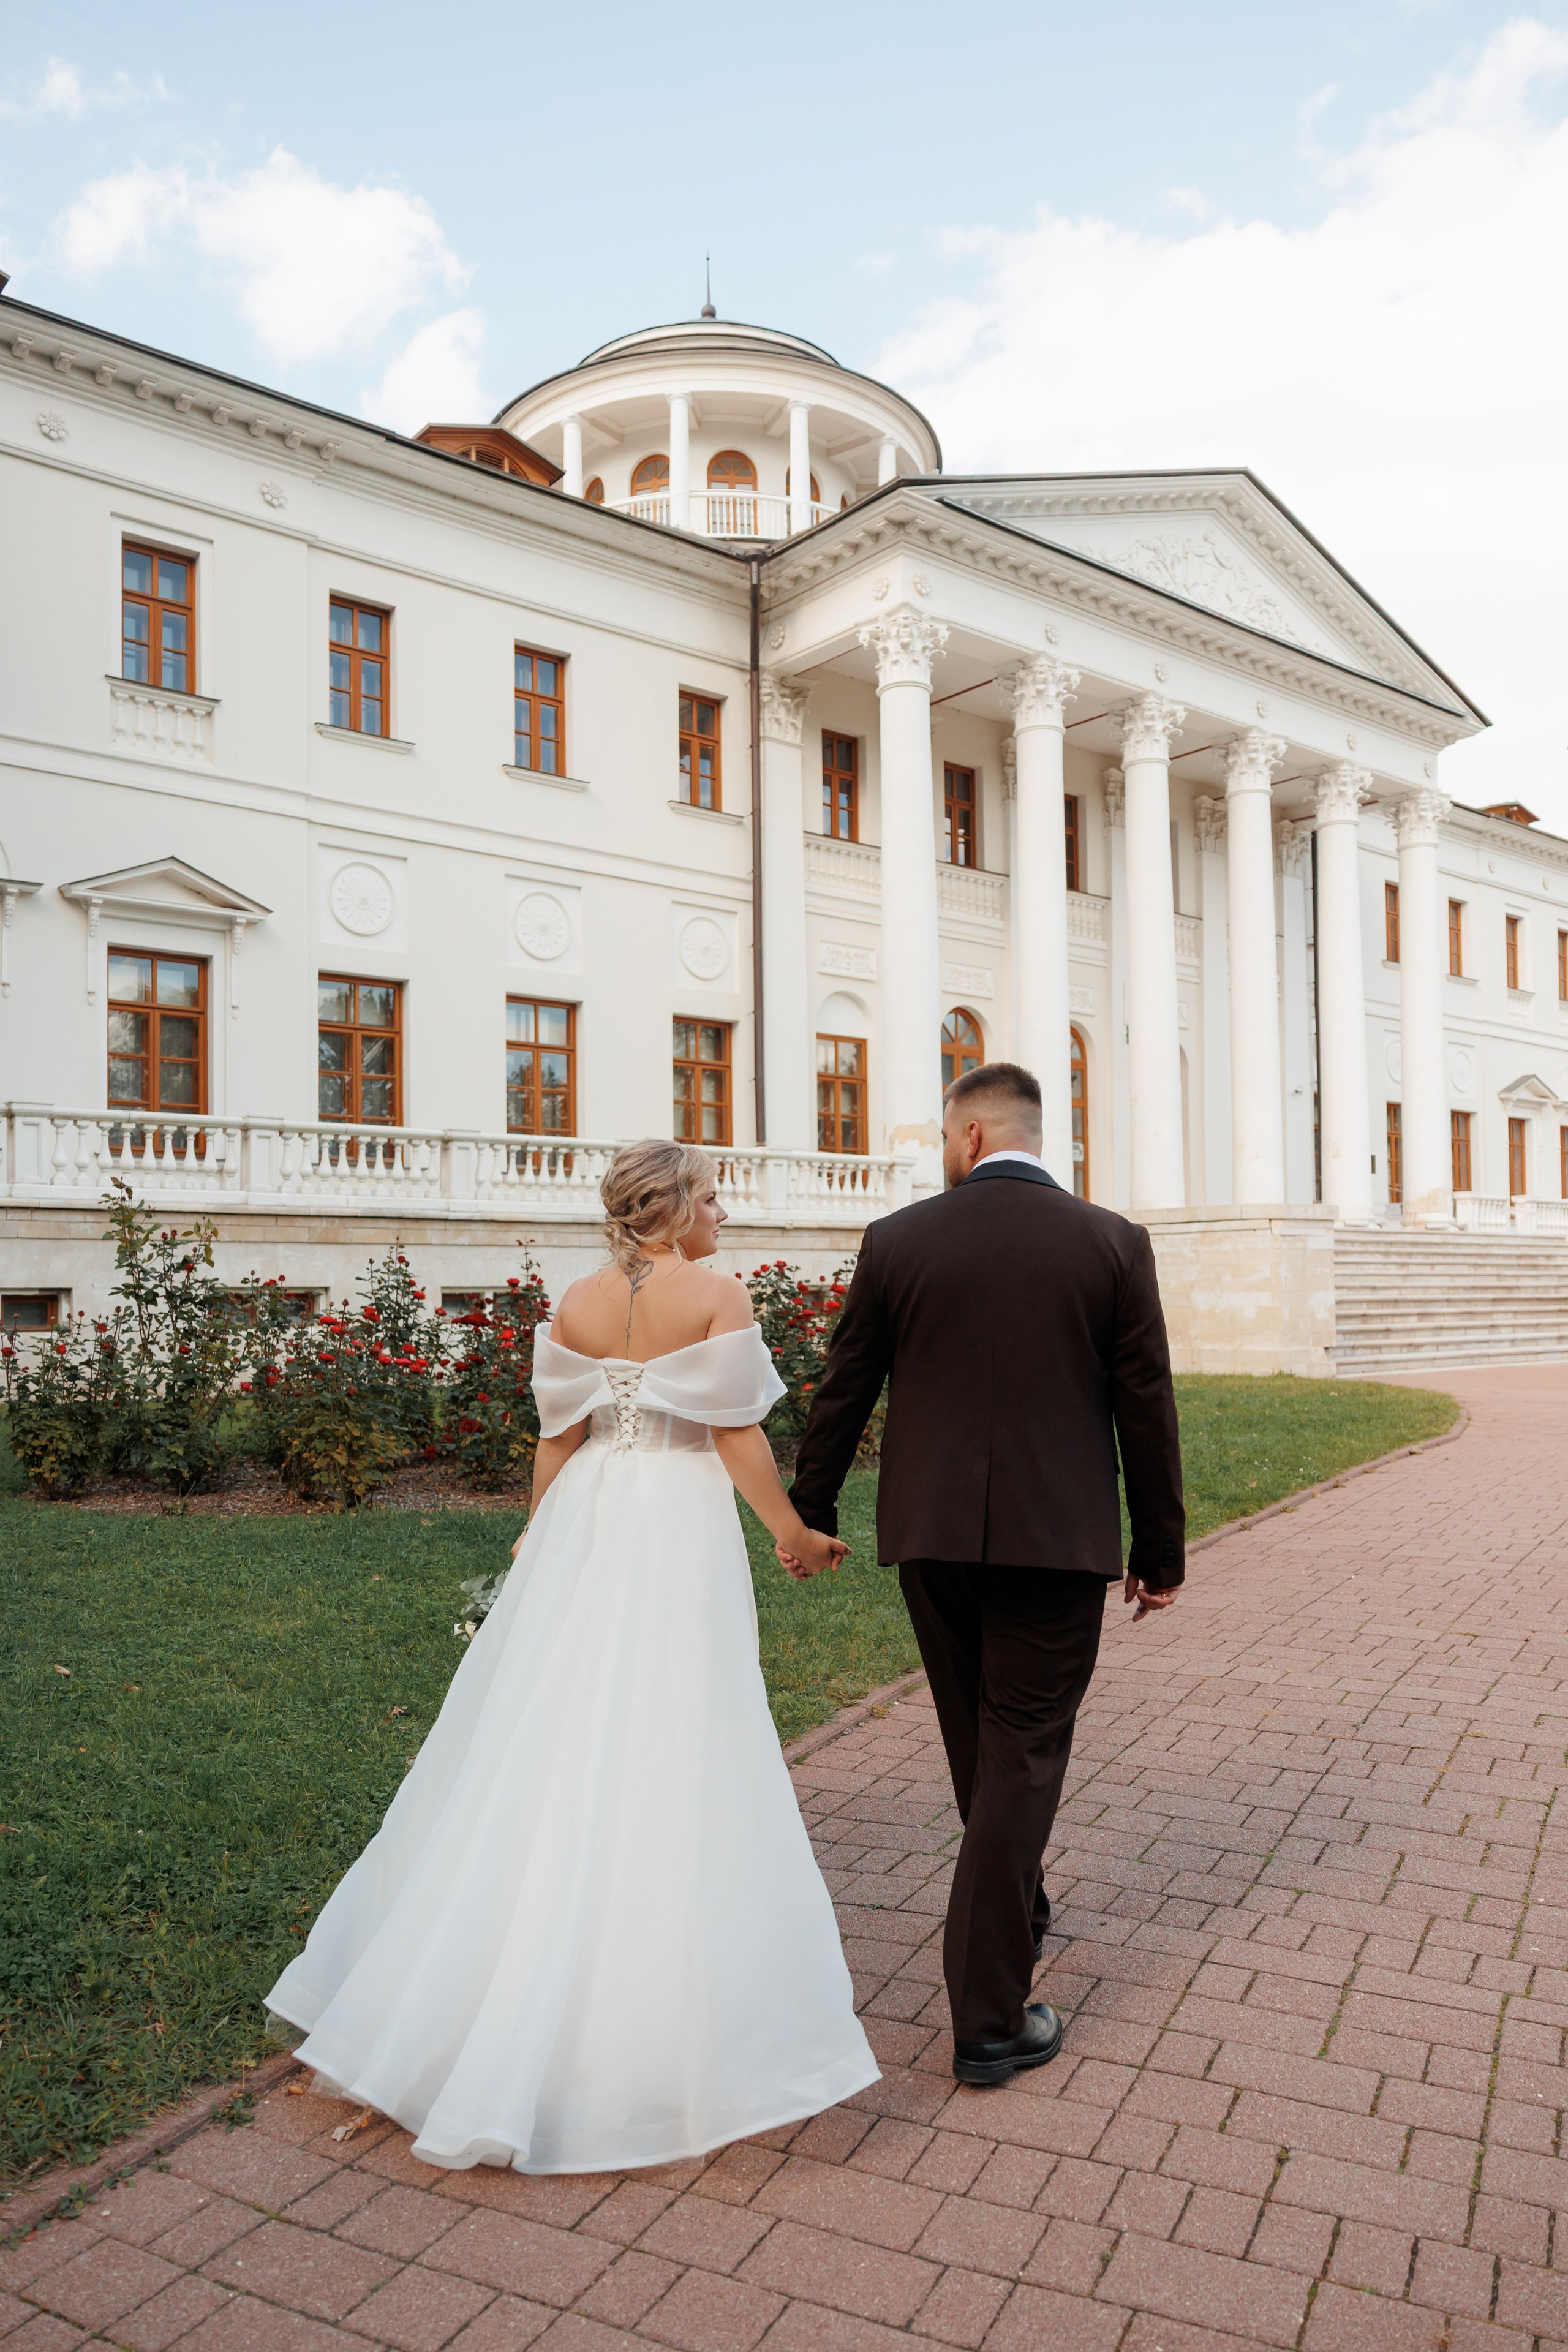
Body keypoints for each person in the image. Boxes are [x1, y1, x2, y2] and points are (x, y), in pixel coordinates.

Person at [265, 1140, 878, 2174]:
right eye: (715, 1199)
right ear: (677, 1207)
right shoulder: (714, 1291)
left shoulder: (577, 1300)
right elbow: (734, 1433)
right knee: (679, 1716)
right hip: (675, 1518)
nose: (723, 1216)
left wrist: (537, 1530)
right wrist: (792, 1531)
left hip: (593, 1510)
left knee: (553, 1717)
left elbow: (561, 1431)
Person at [785, 1061, 1185, 2087]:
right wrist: (1160, 1555)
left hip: (932, 1537)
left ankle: (1019, 1907)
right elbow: (1147, 1410)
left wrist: (811, 1510)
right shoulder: (1113, 1244)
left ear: (966, 1137)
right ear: (1031, 1137)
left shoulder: (899, 1240)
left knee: (982, 1744)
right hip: (1059, 1545)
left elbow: (844, 1387)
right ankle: (991, 2020)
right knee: (1022, 1756)